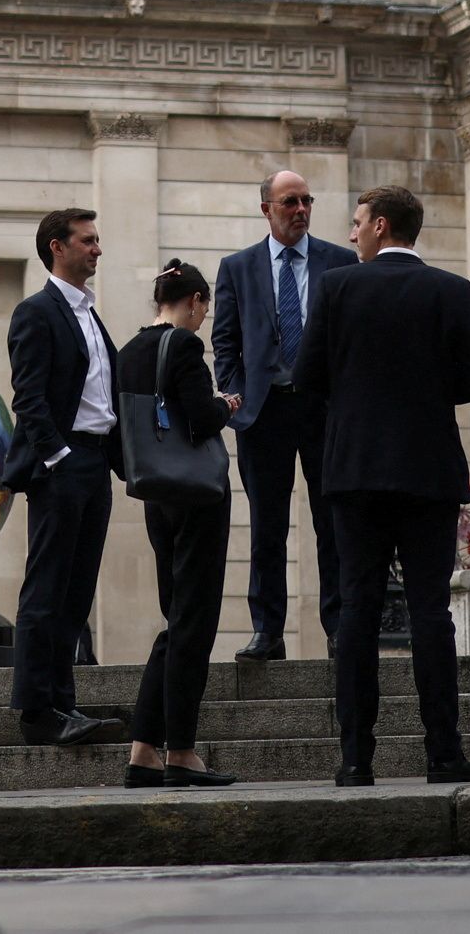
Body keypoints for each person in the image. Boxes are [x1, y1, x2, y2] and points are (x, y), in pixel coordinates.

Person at [293, 184, 470, 787]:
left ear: (381, 226)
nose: (350, 234)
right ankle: (443, 753)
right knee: (431, 612)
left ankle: (356, 758)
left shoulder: (335, 288)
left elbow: (307, 376)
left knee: (357, 611)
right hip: (428, 471)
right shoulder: (450, 290)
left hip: (354, 471)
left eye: (356, 224)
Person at [207, 168, 352, 662]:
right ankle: (267, 631)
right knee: (266, 526)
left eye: (306, 201)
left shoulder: (340, 261)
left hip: (323, 410)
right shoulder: (239, 267)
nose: (300, 210)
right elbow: (223, 339)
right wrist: (235, 394)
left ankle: (339, 628)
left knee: (331, 524)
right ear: (266, 208)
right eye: (289, 202)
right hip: (262, 413)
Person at [1, 206, 124, 749]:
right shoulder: (37, 312)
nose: (97, 248)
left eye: (97, 240)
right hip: (63, 466)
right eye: (88, 240)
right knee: (46, 589)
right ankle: (36, 710)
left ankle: (64, 701)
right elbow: (27, 397)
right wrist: (57, 457)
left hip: (96, 464)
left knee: (77, 593)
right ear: (57, 246)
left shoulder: (90, 315)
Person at [110, 259, 233, 787]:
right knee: (194, 622)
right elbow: (200, 417)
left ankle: (144, 749)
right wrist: (226, 405)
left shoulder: (130, 349)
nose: (203, 319)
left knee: (176, 617)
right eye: (204, 309)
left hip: (156, 494)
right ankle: (180, 751)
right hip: (197, 495)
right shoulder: (184, 345)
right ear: (195, 300)